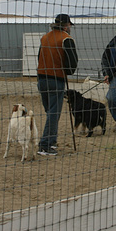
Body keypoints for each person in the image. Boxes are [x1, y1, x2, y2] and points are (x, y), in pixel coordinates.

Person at [36, 14, 78, 155]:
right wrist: (67, 70)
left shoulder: (45, 37)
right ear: (66, 25)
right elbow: (72, 62)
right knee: (54, 113)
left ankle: (52, 141)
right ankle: (45, 145)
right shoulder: (66, 39)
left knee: (50, 111)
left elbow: (39, 56)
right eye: (69, 25)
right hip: (56, 79)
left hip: (41, 78)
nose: (70, 28)